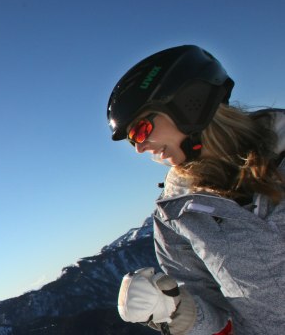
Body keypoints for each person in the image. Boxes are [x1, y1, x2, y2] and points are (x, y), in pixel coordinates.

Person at [106, 45, 285, 335]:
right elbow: (216, 313)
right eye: (132, 140)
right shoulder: (176, 216)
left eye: (141, 130)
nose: (139, 148)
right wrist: (177, 311)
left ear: (189, 103)